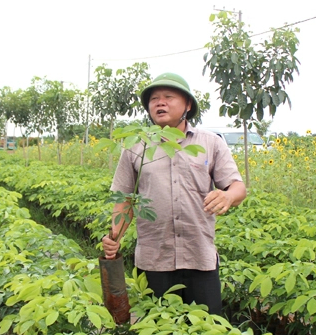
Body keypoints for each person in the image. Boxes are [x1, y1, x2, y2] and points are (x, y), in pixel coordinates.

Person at [102, 73, 247, 318]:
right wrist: (114, 237)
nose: (160, 103)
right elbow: (124, 199)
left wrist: (227, 197)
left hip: (199, 256)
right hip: (153, 258)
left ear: (188, 105)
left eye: (169, 97)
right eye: (154, 99)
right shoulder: (135, 147)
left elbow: (237, 187)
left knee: (206, 334)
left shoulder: (210, 143)